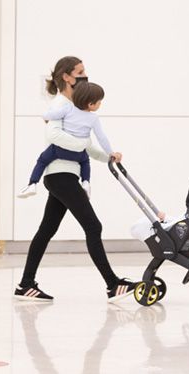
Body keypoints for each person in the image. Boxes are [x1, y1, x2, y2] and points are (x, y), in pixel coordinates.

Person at [14, 56, 136, 303]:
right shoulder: (60, 104)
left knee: (46, 229)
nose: (84, 75)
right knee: (93, 226)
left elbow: (88, 146)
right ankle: (113, 285)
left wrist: (108, 157)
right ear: (67, 77)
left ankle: (25, 285)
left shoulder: (77, 106)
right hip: (60, 175)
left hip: (65, 175)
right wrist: (81, 145)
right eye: (80, 72)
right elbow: (54, 134)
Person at [18, 81, 114, 199]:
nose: (100, 104)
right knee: (85, 162)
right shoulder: (93, 118)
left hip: (59, 150)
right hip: (78, 154)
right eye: (99, 102)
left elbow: (51, 115)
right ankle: (86, 182)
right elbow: (102, 138)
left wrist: (45, 117)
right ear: (90, 104)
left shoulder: (68, 109)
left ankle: (32, 184)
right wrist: (111, 153)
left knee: (42, 160)